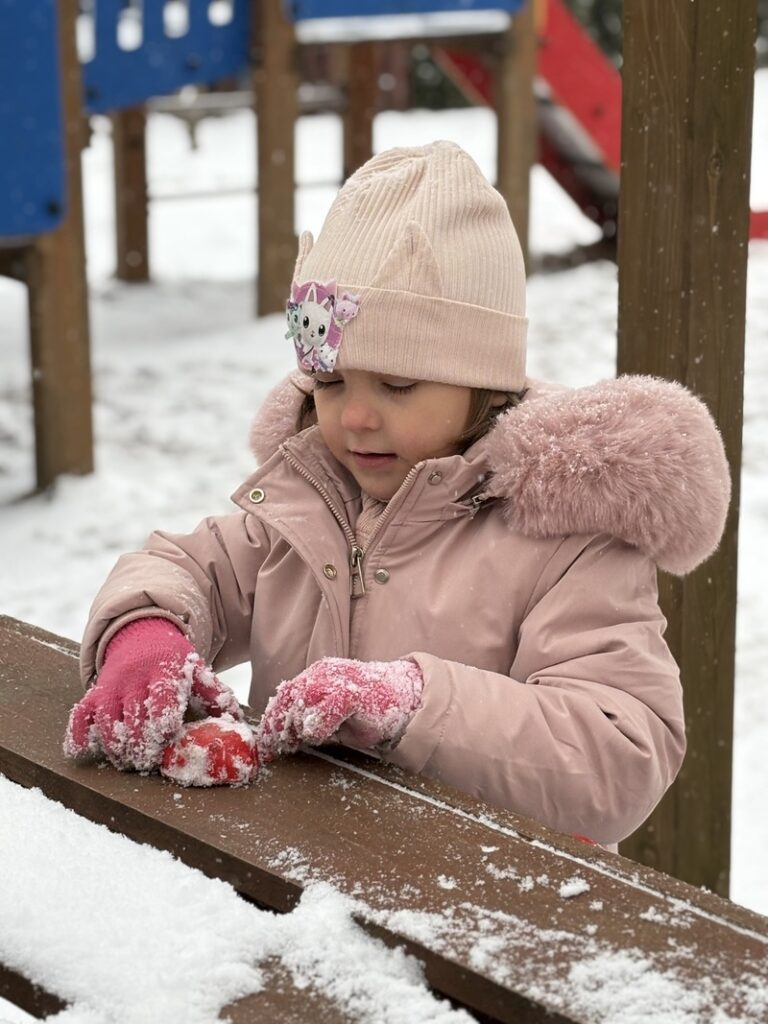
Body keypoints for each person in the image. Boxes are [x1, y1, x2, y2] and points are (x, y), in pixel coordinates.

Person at [64, 141, 730, 845]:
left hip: (484, 894)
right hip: (296, 875)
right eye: (330, 383)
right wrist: (146, 633)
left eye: (398, 385)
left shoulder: (568, 539)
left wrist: (415, 705)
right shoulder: (312, 501)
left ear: (485, 384)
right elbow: (186, 567)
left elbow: (617, 756)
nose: (354, 417)